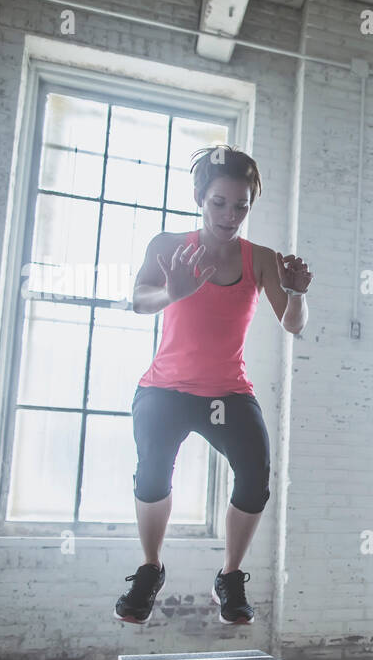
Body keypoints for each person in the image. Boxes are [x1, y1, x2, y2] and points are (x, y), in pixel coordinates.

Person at [113, 145, 313, 625]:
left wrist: (297, 294)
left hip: (226, 392)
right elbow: (138, 301)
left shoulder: (259, 258)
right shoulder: (167, 246)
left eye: (241, 206)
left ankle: (230, 576)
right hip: (166, 388)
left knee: (255, 477)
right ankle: (149, 568)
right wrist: (171, 292)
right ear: (201, 198)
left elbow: (293, 325)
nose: (230, 215)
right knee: (153, 470)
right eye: (220, 203)